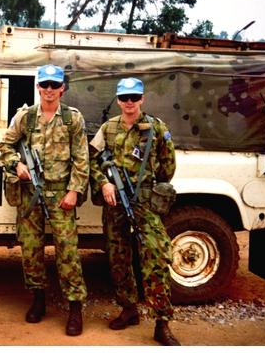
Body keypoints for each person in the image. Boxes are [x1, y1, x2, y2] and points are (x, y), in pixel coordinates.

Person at [88, 77, 180, 346]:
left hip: (144, 202)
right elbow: (92, 161)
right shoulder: (108, 129)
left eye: (134, 97)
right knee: (118, 257)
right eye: (124, 98)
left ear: (142, 99)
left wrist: (148, 188)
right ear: (118, 100)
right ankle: (129, 309)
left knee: (155, 256)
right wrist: (104, 182)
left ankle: (162, 322)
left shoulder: (155, 127)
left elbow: (167, 165)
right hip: (115, 201)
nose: (129, 102)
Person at [0, 64, 89, 336]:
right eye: (44, 84)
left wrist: (74, 191)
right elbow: (6, 145)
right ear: (38, 87)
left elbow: (82, 158)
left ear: (62, 88)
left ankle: (75, 308)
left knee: (68, 251)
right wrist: (16, 165)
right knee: (31, 249)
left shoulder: (72, 119)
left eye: (54, 85)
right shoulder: (25, 117)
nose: (49, 89)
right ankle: (38, 300)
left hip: (61, 194)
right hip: (31, 195)